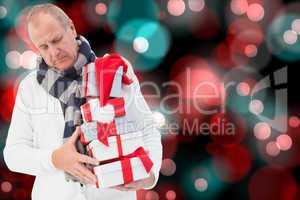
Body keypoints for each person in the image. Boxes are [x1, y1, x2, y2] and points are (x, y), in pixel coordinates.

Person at [3, 3, 162, 200]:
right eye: (43, 47)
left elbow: (148, 130)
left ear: (71, 28)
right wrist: (55, 159)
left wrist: (149, 177)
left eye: (57, 39)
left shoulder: (114, 71)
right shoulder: (30, 87)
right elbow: (13, 154)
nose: (54, 52)